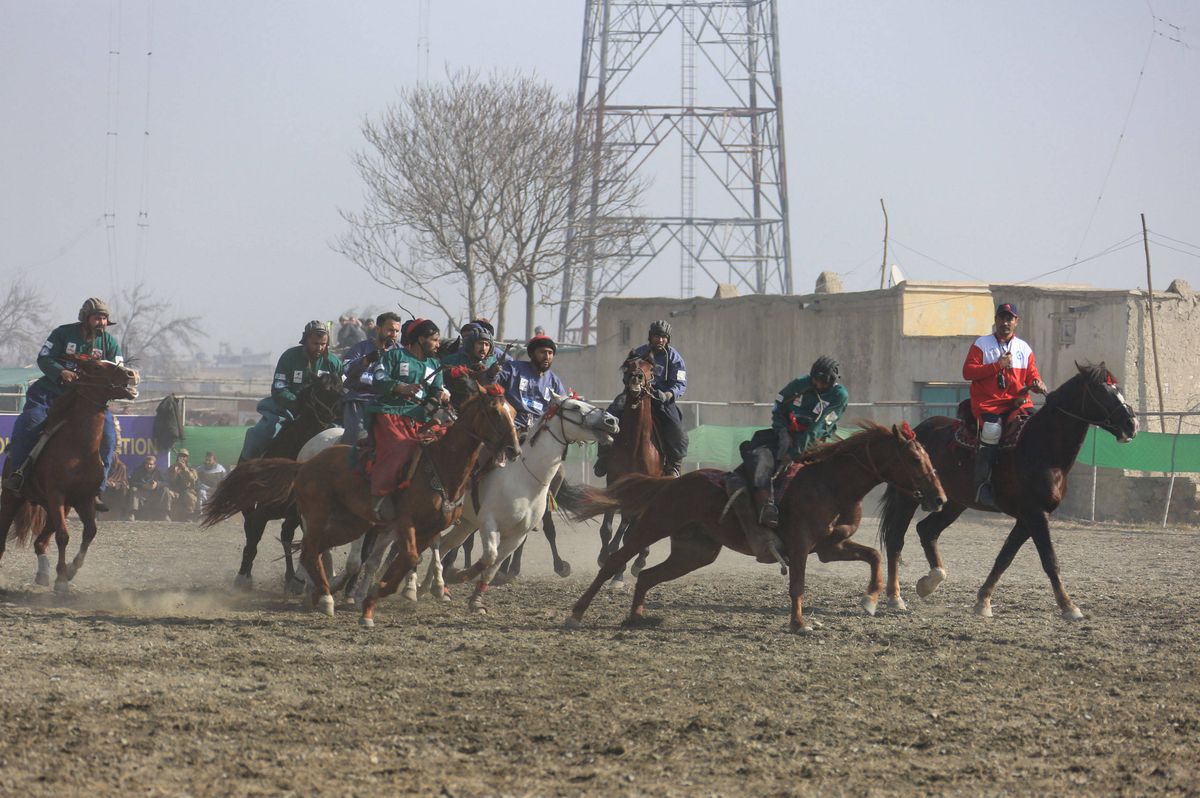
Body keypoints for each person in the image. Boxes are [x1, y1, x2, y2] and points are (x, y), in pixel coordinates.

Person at [2, 297, 127, 510]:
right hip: (50, 395)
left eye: (105, 318)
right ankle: (18, 475)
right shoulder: (62, 333)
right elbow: (44, 358)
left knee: (108, 434)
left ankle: (97, 488)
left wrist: (126, 380)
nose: (102, 323)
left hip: (86, 402)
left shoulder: (110, 343)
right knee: (29, 423)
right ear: (85, 318)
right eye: (97, 318)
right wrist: (61, 372)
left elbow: (118, 371)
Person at [732, 356, 849, 565]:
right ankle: (765, 506)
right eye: (815, 380)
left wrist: (794, 452)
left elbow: (819, 427)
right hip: (784, 436)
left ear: (832, 381)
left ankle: (834, 517)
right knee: (758, 459)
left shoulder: (839, 396)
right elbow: (778, 406)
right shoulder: (799, 384)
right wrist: (782, 431)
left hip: (815, 442)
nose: (817, 384)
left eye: (822, 382)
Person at [963, 302, 1047, 506]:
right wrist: (997, 366)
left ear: (1016, 322)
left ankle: (1037, 481)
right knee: (992, 431)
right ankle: (982, 486)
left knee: (1039, 428)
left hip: (1018, 404)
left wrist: (1038, 384)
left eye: (1009, 318)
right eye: (1002, 318)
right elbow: (968, 372)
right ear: (995, 320)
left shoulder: (1024, 348)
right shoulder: (981, 344)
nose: (1005, 322)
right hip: (988, 404)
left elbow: (1032, 376)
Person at [366, 318, 448, 519]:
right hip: (390, 412)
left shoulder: (434, 364)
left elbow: (436, 389)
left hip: (419, 416)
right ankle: (380, 497)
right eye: (434, 340)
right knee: (401, 446)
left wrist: (438, 397)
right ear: (420, 339)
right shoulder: (395, 356)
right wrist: (401, 387)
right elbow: (378, 378)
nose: (438, 345)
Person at [594, 320, 689, 477]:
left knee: (677, 430)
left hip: (661, 398)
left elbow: (680, 383)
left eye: (664, 337)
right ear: (650, 337)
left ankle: (674, 466)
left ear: (668, 339)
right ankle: (603, 457)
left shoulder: (674, 358)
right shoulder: (638, 353)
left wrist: (668, 395)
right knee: (608, 417)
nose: (660, 340)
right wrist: (630, 383)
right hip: (633, 393)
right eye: (657, 336)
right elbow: (626, 373)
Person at [240, 320, 343, 461]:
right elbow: (279, 388)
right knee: (259, 434)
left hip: (323, 416)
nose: (319, 348)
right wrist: (298, 403)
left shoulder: (334, 363)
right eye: (315, 344)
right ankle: (244, 466)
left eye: (323, 344)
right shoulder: (289, 357)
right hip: (288, 410)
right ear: (305, 340)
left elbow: (341, 390)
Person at [340, 312, 403, 444]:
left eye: (397, 331)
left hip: (389, 404)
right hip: (360, 400)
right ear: (378, 329)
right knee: (357, 437)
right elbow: (345, 368)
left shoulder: (401, 353)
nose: (394, 334)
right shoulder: (361, 348)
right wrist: (366, 360)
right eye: (390, 330)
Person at [494, 335, 566, 432]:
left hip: (538, 432)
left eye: (550, 353)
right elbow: (491, 383)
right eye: (542, 352)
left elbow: (563, 406)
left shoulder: (554, 382)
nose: (547, 357)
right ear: (532, 354)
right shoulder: (513, 369)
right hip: (509, 426)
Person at [441, 321, 504, 409]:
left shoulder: (492, 365)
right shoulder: (452, 360)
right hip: (452, 407)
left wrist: (491, 375)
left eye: (486, 345)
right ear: (471, 345)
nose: (483, 348)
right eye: (480, 343)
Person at [128, 455, 168, 520]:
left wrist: (157, 484)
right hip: (141, 494)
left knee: (165, 489)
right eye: (147, 464)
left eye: (151, 464)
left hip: (154, 494)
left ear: (154, 465)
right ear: (144, 464)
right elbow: (132, 482)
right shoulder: (138, 470)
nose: (149, 466)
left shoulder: (158, 471)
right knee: (134, 489)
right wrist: (142, 485)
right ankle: (132, 514)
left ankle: (165, 514)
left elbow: (166, 482)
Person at [167, 448, 200, 520]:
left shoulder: (191, 469)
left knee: (190, 496)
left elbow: (193, 479)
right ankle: (167, 515)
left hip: (187, 490)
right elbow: (169, 480)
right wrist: (175, 472)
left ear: (187, 458)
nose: (182, 458)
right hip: (175, 491)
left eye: (184, 456)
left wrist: (184, 468)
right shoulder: (172, 468)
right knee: (167, 493)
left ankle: (189, 517)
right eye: (180, 456)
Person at [103, 452, 130, 518]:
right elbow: (100, 478)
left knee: (124, 489)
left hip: (118, 487)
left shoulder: (122, 467)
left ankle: (123, 512)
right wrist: (107, 482)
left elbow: (124, 481)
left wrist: (115, 484)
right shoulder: (105, 466)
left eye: (111, 458)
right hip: (106, 486)